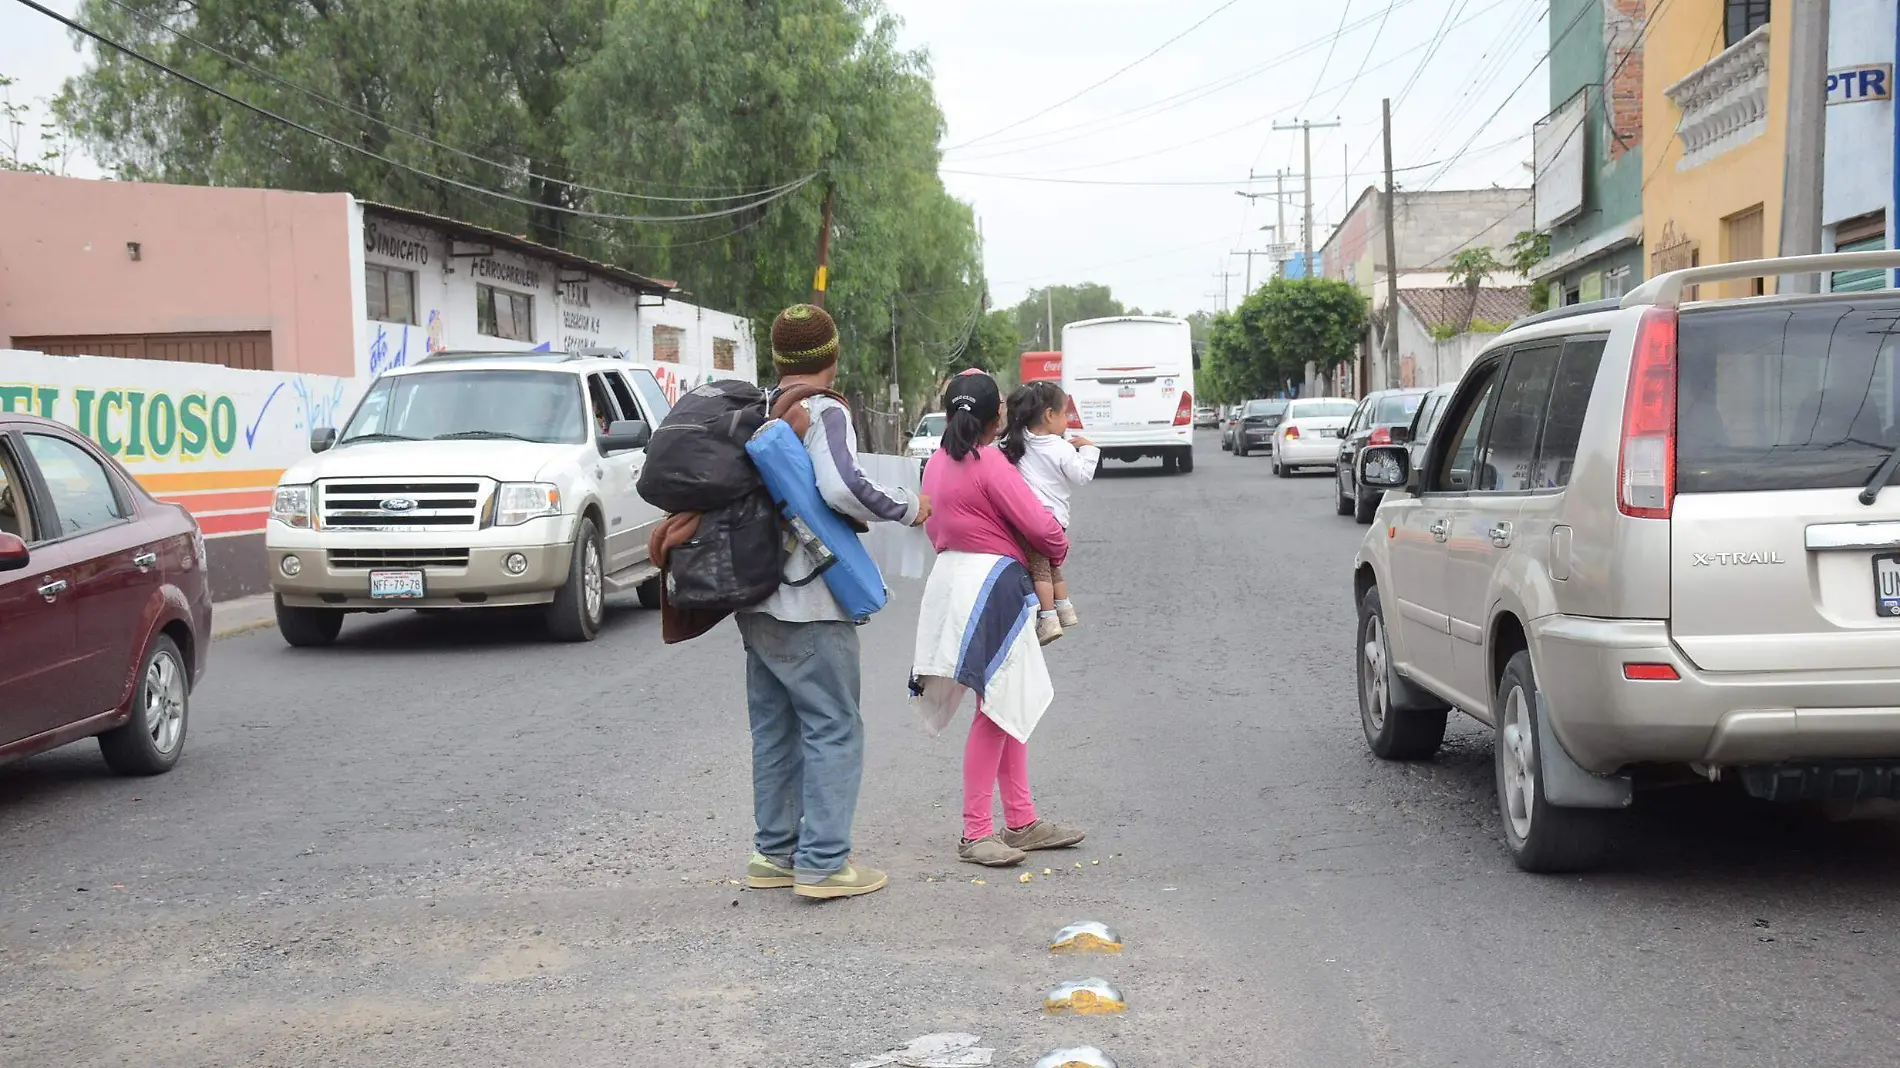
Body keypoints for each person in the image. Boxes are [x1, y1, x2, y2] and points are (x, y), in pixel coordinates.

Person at [740, 304, 930, 901]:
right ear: (833, 354)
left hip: (755, 594)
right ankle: (823, 862)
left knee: (775, 727)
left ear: (777, 358)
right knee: (833, 725)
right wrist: (907, 506)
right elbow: (842, 486)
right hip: (811, 599)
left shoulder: (757, 409)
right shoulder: (826, 411)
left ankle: (774, 854)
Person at [915, 370, 1087, 868]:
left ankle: (1021, 820)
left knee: (1007, 702)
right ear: (997, 420)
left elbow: (937, 527)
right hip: (994, 585)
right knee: (999, 708)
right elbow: (1040, 525)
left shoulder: (935, 464)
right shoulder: (988, 461)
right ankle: (977, 831)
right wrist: (1055, 548)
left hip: (952, 581)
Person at [998, 380, 1099, 645]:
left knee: (1040, 569)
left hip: (1029, 520)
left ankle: (1048, 617)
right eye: (1064, 413)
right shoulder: (1061, 448)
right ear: (1049, 415)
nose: (1066, 420)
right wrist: (1088, 448)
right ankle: (1063, 609)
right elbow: (1082, 476)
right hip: (1055, 522)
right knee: (1052, 567)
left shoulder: (1015, 444)